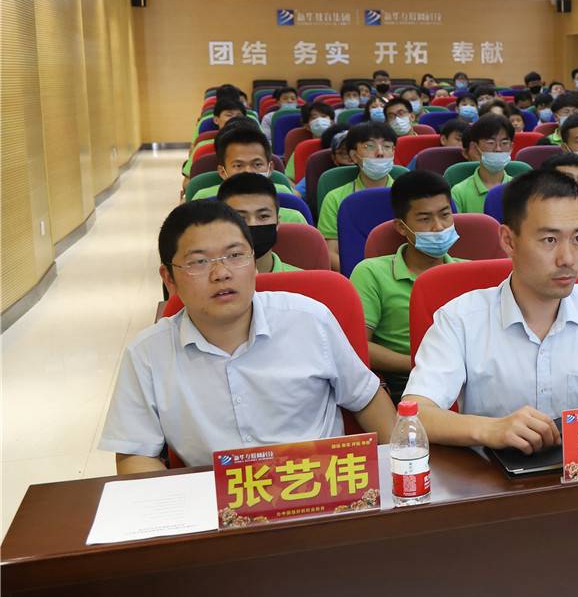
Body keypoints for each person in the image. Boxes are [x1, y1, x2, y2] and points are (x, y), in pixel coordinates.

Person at [403, 171, 578, 451]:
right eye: (549, 240)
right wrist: (491, 429)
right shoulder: (460, 319)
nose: (567, 259)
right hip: (491, 474)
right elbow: (414, 415)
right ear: (508, 240)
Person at [100, 201, 395, 472]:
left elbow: (367, 399)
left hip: (319, 489)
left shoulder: (309, 320)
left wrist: (401, 473)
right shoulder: (147, 354)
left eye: (235, 255)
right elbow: (135, 454)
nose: (221, 273)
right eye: (199, 262)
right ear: (169, 279)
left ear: (254, 263)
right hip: (216, 503)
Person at [351, 171, 465, 401]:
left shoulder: (469, 272)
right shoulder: (371, 272)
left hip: (467, 382)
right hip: (403, 385)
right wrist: (421, 365)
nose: (438, 227)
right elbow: (356, 345)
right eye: (424, 219)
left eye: (445, 215)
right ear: (401, 227)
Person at [318, 122, 398, 272]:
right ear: (354, 156)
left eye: (387, 146)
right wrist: (361, 277)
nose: (380, 153)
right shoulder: (335, 198)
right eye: (370, 146)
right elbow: (330, 251)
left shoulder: (410, 194)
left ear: (393, 152)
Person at [218, 172, 302, 272]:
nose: (252, 224)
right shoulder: (207, 279)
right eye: (240, 217)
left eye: (263, 216)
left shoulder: (305, 280)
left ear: (277, 223)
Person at [192, 122, 297, 200]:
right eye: (238, 165)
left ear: (270, 168)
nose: (248, 171)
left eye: (257, 164)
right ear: (223, 172)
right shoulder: (202, 199)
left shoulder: (287, 198)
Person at [451, 116, 514, 214]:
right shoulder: (459, 192)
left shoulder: (521, 190)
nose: (498, 149)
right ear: (475, 147)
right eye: (491, 143)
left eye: (504, 143)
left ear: (511, 147)